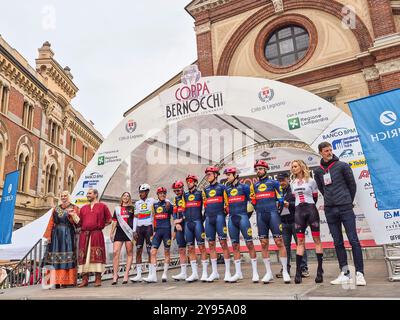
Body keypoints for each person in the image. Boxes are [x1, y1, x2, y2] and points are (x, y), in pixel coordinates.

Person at [314, 141, 366, 286]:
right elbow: (321, 188)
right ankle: (345, 273)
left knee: (353, 240)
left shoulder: (342, 165)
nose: (329, 152)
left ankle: (360, 273)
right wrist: (330, 200)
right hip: (330, 209)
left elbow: (352, 185)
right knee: (337, 242)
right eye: (326, 150)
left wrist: (347, 200)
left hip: (345, 207)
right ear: (320, 152)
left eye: (330, 150)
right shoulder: (318, 171)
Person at [250, 160, 291, 284]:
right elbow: (253, 201)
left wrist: (280, 208)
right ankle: (268, 273)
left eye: (261, 169)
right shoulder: (254, 186)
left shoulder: (274, 183)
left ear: (266, 169)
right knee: (263, 243)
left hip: (273, 214)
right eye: (257, 169)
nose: (258, 171)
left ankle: (285, 271)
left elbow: (280, 198)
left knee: (279, 241)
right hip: (261, 216)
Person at [290, 160, 324, 284]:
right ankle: (298, 272)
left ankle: (320, 270)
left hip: (311, 210)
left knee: (317, 240)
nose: (293, 168)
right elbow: (295, 197)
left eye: (295, 166)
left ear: (301, 167)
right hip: (299, 211)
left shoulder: (311, 181)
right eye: (292, 167)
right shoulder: (292, 182)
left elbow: (314, 197)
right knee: (300, 241)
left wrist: (309, 206)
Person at [224, 167, 259, 283]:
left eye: (229, 174)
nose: (227, 176)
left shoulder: (244, 187)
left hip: (243, 217)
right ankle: (238, 273)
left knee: (249, 244)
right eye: (227, 175)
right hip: (232, 219)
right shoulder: (227, 189)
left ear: (235, 175)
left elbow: (253, 202)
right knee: (235, 246)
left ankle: (255, 273)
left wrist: (246, 215)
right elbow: (226, 205)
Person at [43, 191, 80, 288]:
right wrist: (48, 236)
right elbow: (51, 222)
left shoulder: (74, 207)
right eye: (62, 196)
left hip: (68, 233)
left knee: (67, 257)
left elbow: (78, 223)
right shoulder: (56, 209)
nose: (63, 197)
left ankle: (66, 281)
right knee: (55, 258)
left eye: (65, 196)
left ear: (69, 197)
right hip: (56, 235)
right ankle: (55, 281)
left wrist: (73, 215)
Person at [276, 172, 309, 279]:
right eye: (279, 181)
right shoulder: (278, 191)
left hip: (296, 221)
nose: (281, 183)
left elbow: (301, 203)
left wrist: (289, 204)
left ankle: (303, 268)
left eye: (283, 180)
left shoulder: (295, 189)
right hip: (284, 223)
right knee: (285, 248)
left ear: (288, 180)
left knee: (300, 244)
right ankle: (285, 269)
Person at [77, 189, 112, 288]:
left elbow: (109, 219)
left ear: (95, 195)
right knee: (84, 256)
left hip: (96, 234)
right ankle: (84, 280)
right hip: (84, 234)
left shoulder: (103, 206)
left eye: (89, 193)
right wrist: (73, 216)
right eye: (87, 193)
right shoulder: (83, 208)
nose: (87, 195)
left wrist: (100, 226)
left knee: (97, 255)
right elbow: (79, 223)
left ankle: (98, 279)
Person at [202, 166, 231, 282]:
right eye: (207, 174)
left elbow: (227, 204)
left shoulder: (223, 187)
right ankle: (214, 272)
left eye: (209, 174)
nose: (208, 176)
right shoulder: (205, 190)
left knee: (223, 243)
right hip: (209, 219)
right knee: (211, 245)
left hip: (219, 218)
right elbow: (205, 205)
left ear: (215, 175)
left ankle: (228, 272)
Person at [143, 187, 174, 283]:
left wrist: (175, 231)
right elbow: (154, 219)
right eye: (160, 193)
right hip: (158, 231)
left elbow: (175, 216)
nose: (162, 195)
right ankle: (153, 276)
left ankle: (164, 274)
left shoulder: (169, 204)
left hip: (167, 231)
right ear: (157, 194)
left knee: (167, 252)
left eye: (164, 193)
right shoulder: (154, 204)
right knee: (152, 252)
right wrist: (153, 232)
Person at [183, 174, 209, 282]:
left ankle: (205, 273)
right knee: (190, 248)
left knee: (202, 247)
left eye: (190, 181)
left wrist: (201, 219)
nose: (188, 183)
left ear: (195, 182)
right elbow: (184, 208)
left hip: (198, 222)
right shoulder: (185, 195)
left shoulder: (200, 193)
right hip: (188, 224)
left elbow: (206, 207)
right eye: (187, 181)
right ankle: (194, 274)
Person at [130, 184, 156, 283]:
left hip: (149, 227)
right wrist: (134, 230)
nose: (140, 194)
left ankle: (150, 274)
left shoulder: (152, 201)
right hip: (139, 228)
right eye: (140, 192)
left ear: (147, 192)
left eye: (142, 192)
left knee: (150, 250)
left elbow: (162, 202)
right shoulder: (137, 203)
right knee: (138, 250)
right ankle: (139, 275)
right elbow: (135, 217)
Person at [110, 192, 135, 285]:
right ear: (121, 197)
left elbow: (135, 220)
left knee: (129, 253)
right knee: (115, 252)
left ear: (129, 198)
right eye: (124, 196)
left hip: (129, 233)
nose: (126, 197)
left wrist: (135, 232)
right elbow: (115, 221)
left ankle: (126, 275)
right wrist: (112, 232)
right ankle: (115, 275)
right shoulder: (117, 209)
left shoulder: (132, 208)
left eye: (128, 196)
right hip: (119, 232)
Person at [171, 180, 188, 281]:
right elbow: (174, 213)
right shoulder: (176, 199)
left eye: (178, 190)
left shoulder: (187, 196)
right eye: (175, 191)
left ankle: (194, 272)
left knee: (190, 247)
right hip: (178, 225)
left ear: (182, 188)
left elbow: (189, 210)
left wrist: (181, 220)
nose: (177, 192)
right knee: (181, 248)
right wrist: (176, 223)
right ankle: (183, 273)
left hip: (187, 223)